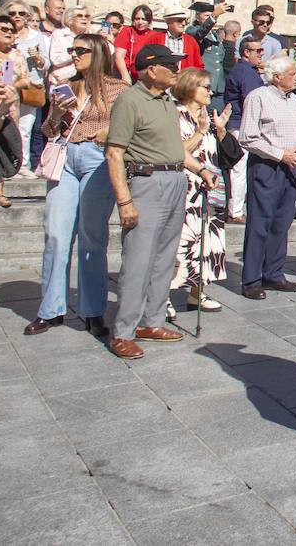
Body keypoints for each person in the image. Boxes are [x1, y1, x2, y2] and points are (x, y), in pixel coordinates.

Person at [105, 44, 217, 358]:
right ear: (151, 69)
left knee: (164, 259)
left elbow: (176, 150)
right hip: (146, 183)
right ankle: (123, 331)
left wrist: (200, 169)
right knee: (139, 260)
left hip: (175, 180)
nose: (177, 69)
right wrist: (124, 201)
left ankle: (151, 322)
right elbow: (114, 152)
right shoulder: (130, 100)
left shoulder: (168, 103)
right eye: (171, 64)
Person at [25, 33, 126, 336]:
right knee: (55, 233)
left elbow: (125, 125)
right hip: (64, 157)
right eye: (72, 49)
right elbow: (47, 130)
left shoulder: (118, 89)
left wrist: (108, 130)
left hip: (96, 159)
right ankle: (51, 308)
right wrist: (55, 112)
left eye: (80, 50)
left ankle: (92, 309)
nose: (74, 54)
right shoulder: (66, 85)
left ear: (98, 54)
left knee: (92, 236)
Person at [237, 55, 296, 299]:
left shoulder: (294, 99)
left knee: (282, 221)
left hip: (290, 166)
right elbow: (247, 137)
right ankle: (251, 279)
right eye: (292, 73)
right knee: (260, 223)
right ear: (277, 77)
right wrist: (280, 155)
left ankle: (274, 273)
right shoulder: (258, 97)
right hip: (267, 166)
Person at [170, 67, 230, 312]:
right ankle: (163, 297)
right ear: (189, 87)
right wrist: (201, 131)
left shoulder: (206, 114)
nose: (210, 91)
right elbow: (176, 149)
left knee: (208, 242)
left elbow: (218, 152)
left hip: (211, 186)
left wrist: (221, 129)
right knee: (182, 241)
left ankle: (198, 292)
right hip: (187, 186)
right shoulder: (175, 114)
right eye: (205, 87)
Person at [222, 38, 265, 223]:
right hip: (241, 125)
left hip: (239, 123)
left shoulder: (245, 71)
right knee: (239, 169)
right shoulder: (246, 72)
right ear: (246, 52)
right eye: (258, 50)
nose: (261, 54)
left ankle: (236, 208)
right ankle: (236, 210)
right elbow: (251, 99)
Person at [3, 0, 47, 173]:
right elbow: (4, 60)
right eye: (12, 13)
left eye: (21, 13)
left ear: (28, 16)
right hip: (9, 86)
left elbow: (46, 64)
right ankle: (6, 164)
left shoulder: (36, 36)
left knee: (25, 128)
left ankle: (23, 164)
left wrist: (38, 58)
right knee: (5, 126)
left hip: (31, 87)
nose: (17, 16)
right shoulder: (4, 33)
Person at [0, 15, 26, 204]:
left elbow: (23, 78)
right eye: (4, 29)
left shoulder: (14, 55)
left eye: (12, 30)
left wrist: (11, 84)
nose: (9, 33)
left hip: (8, 105)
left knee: (3, 145)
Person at [113, 4, 164, 83]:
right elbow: (119, 56)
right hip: (127, 75)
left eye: (144, 19)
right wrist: (125, 76)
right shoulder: (127, 31)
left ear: (149, 21)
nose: (140, 22)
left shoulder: (155, 35)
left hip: (146, 78)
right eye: (137, 19)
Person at [46, 6, 91, 87]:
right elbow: (55, 60)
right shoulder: (59, 34)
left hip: (83, 81)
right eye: (80, 16)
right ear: (70, 19)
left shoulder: (91, 36)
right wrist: (76, 52)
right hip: (61, 81)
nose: (84, 18)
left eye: (86, 16)